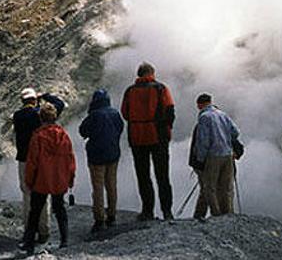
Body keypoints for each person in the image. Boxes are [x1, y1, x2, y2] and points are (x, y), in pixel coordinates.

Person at [121, 62, 176, 221]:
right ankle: (167, 211)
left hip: (137, 137)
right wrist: (166, 129)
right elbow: (170, 110)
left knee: (143, 176)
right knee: (162, 176)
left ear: (139, 74)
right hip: (158, 137)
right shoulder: (161, 89)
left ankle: (147, 211)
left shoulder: (130, 91)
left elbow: (125, 113)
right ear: (152, 73)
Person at [21, 104, 76, 255]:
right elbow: (70, 159)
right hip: (59, 179)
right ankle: (64, 241)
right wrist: (70, 178)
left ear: (41, 118)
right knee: (60, 209)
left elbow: (32, 162)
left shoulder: (38, 136)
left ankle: (29, 244)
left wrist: (29, 181)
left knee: (35, 211)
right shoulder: (64, 136)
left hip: (41, 179)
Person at [79, 89, 125, 232]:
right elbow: (120, 129)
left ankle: (99, 219)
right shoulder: (115, 113)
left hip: (96, 156)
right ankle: (112, 215)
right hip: (113, 153)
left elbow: (83, 131)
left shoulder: (94, 115)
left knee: (98, 188)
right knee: (111, 185)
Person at [189, 93, 239, 218]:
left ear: (199, 105)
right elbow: (235, 132)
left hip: (213, 156)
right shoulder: (222, 114)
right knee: (225, 186)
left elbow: (203, 141)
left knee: (209, 187)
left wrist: (200, 160)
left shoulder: (204, 117)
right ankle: (227, 213)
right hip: (227, 154)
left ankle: (216, 214)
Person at [12, 88, 51, 243]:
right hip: (40, 159)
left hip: (24, 159)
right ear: (34, 100)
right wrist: (45, 96)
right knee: (42, 194)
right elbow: (59, 105)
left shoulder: (17, 115)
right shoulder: (39, 114)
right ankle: (44, 230)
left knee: (27, 194)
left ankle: (29, 230)